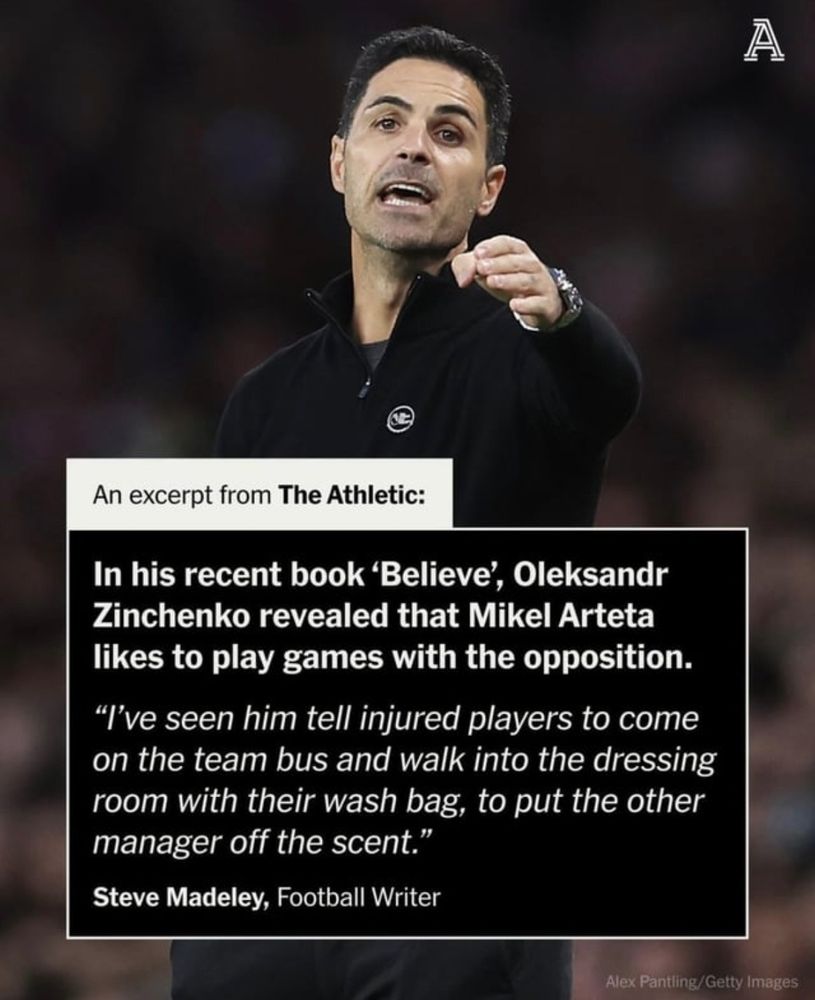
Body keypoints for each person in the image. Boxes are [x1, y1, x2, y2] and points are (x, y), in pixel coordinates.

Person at [172, 25, 640, 1000]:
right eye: (387, 123)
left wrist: (560, 309)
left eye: (449, 132)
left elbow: (607, 390)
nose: (415, 148)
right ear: (340, 163)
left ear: (488, 188)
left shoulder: (530, 353)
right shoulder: (264, 399)